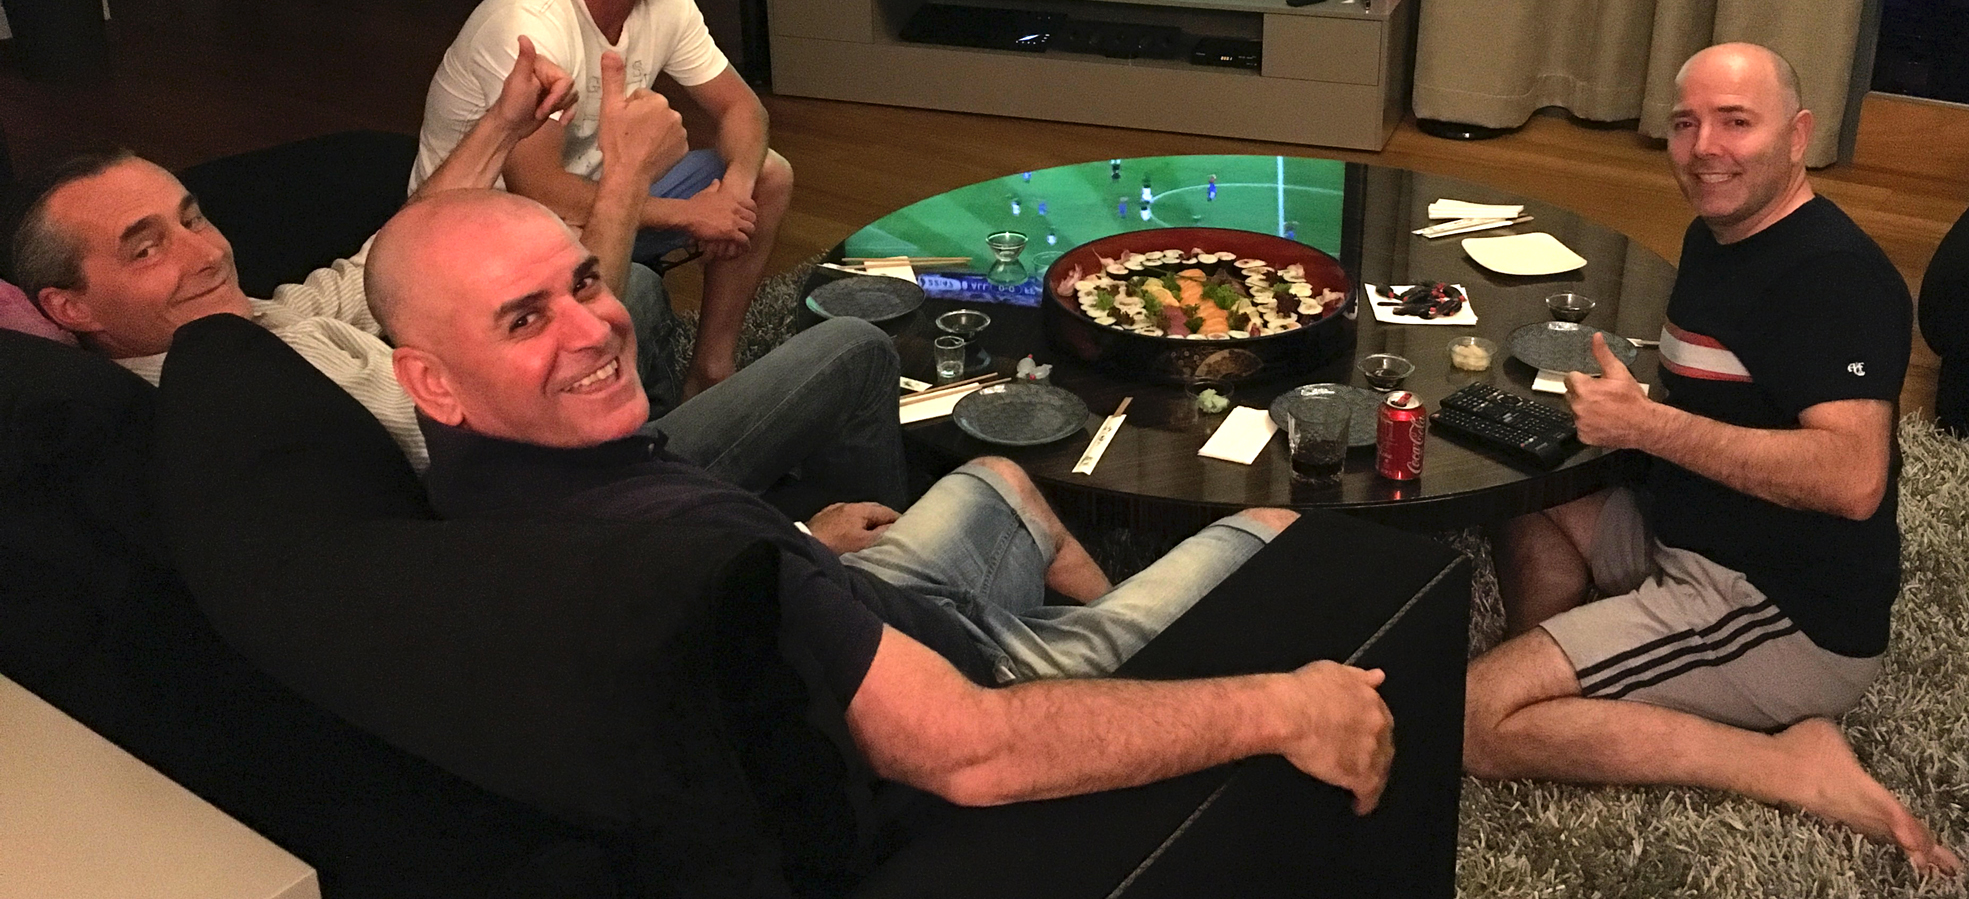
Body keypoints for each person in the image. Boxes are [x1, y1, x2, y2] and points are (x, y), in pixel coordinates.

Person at [365, 189, 1397, 812]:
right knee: (1279, 530)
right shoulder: (676, 550)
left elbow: (739, 573)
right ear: (430, 380)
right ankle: (1109, 661)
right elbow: (969, 751)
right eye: (524, 320)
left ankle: (1119, 633)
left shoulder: (483, 474)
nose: (594, 329)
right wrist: (1276, 705)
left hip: (859, 597)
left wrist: (800, 539)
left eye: (586, 283)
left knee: (1000, 479)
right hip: (981, 684)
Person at [10, 45, 911, 514]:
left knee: (636, 295)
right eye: (146, 249)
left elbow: (386, 255)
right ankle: (865, 557)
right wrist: (626, 180)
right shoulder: (233, 404)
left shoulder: (249, 323)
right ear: (68, 306)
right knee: (851, 349)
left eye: (192, 216)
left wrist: (503, 122)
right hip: (574, 489)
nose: (206, 253)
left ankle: (709, 450)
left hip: (553, 440)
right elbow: (528, 446)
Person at [1462, 43, 1959, 877]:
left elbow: (1852, 481)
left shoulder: (1835, 279)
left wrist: (1649, 429)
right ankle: (1559, 656)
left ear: (1798, 135)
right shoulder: (1718, 235)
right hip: (1683, 525)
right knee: (1514, 468)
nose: (1704, 150)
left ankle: (1785, 763)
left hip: (1778, 605)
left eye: (1736, 123)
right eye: (1685, 125)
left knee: (1473, 719)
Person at [408, 0, 791, 400]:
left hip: (603, 193)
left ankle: (711, 368)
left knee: (766, 175)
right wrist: (691, 214)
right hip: (492, 233)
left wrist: (731, 197)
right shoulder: (530, 23)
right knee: (636, 294)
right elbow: (539, 188)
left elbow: (742, 108)